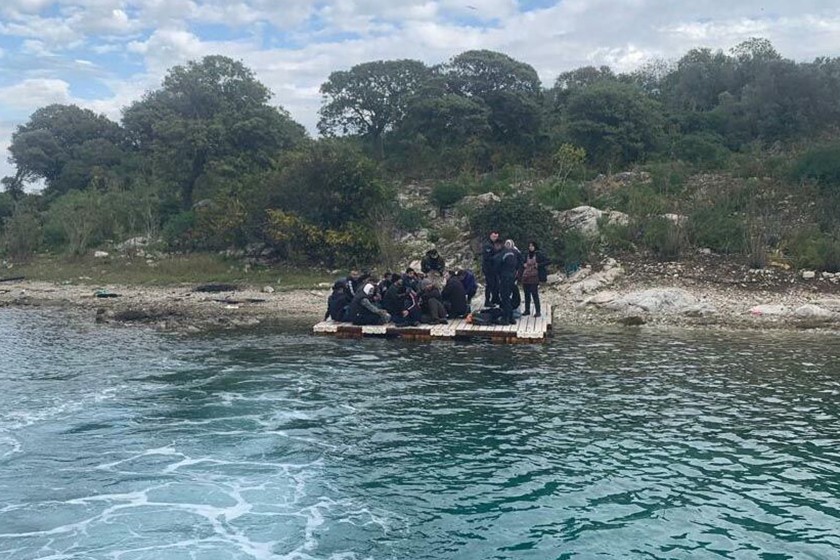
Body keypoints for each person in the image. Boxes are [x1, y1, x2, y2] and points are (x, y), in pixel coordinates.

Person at [493, 239, 519, 325]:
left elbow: (496, 267)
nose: (495, 248)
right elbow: (519, 261)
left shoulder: (501, 254)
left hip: (505, 278)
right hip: (512, 277)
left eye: (496, 246)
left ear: (499, 245)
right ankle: (511, 318)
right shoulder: (512, 252)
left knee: (505, 298)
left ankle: (505, 318)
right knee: (508, 298)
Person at [521, 241, 548, 317]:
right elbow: (521, 261)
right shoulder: (526, 254)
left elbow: (548, 261)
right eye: (529, 246)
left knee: (534, 294)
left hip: (534, 277)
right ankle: (527, 310)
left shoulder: (539, 254)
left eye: (532, 246)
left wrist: (538, 265)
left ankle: (538, 311)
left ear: (535, 247)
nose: (530, 247)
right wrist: (523, 264)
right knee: (526, 294)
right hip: (526, 276)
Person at [482, 231, 500, 306]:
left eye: (496, 237)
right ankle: (487, 301)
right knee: (490, 285)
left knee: (496, 284)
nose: (495, 238)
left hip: (494, 268)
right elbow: (487, 258)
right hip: (488, 268)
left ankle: (495, 299)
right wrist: (497, 257)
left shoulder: (494, 244)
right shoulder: (488, 245)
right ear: (490, 236)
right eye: (493, 236)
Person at [505, 239, 523, 311]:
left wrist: (518, 270)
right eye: (506, 244)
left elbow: (520, 261)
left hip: (514, 273)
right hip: (506, 274)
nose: (507, 246)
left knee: (513, 288)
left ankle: (515, 304)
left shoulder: (516, 251)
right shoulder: (504, 252)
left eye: (509, 244)